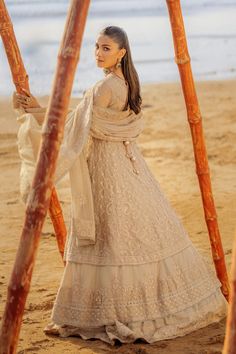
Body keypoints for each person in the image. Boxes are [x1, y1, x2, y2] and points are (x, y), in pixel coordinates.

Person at [13, 25, 227, 346]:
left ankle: (113, 311)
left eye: (106, 48)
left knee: (111, 235)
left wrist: (36, 111)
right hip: (129, 168)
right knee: (132, 233)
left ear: (121, 53)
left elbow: (74, 129)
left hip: (107, 171)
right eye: (97, 47)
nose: (98, 53)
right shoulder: (127, 84)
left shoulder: (105, 88)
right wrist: (39, 108)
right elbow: (79, 123)